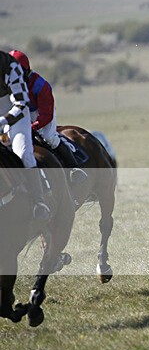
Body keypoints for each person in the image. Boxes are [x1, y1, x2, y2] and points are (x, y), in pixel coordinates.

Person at [9, 50, 86, 185]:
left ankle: (74, 169)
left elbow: (46, 114)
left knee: (49, 138)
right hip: (19, 112)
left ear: (26, 71)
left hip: (40, 112)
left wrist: (34, 126)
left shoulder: (41, 86)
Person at [0, 51, 50, 221]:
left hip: (18, 118)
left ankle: (38, 202)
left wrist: (2, 122)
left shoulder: (10, 68)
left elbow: (21, 104)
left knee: (23, 154)